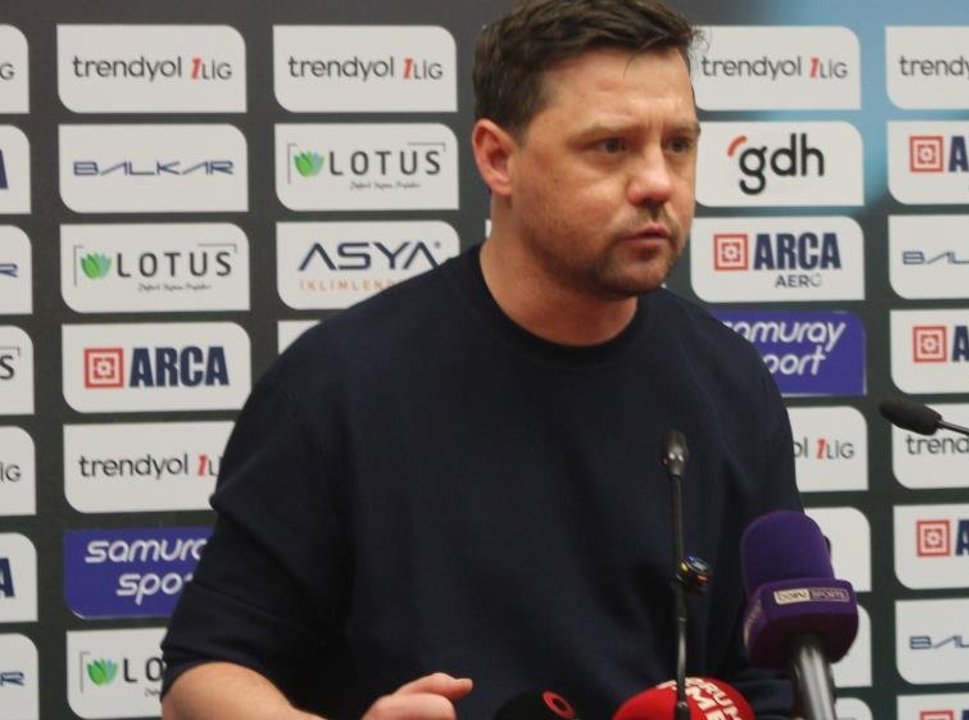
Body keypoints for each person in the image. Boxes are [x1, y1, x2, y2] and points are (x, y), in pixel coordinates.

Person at [160, 0, 802, 717]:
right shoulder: (339, 385)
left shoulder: (730, 384)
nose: (658, 181)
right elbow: (201, 678)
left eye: (678, 144)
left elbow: (772, 680)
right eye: (611, 146)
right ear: (499, 158)